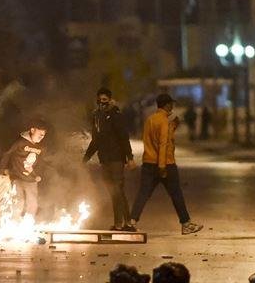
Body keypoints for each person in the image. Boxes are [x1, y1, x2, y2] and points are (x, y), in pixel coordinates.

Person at [128, 93, 203, 235]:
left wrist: (173, 126)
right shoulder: (163, 121)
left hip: (148, 163)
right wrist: (162, 166)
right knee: (176, 194)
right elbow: (163, 144)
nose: (173, 106)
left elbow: (153, 139)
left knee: (143, 193)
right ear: (167, 105)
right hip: (166, 164)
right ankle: (186, 224)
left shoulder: (150, 119)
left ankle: (132, 221)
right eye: (171, 104)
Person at [83, 88, 137, 231]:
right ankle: (123, 222)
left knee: (117, 190)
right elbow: (95, 141)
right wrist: (85, 158)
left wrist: (130, 157)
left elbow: (124, 137)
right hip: (105, 160)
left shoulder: (116, 115)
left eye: (105, 100)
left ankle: (124, 223)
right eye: (100, 100)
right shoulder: (96, 116)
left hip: (117, 159)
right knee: (114, 191)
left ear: (110, 100)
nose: (102, 103)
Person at [0, 117, 47, 219]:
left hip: (31, 180)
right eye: (40, 134)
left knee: (32, 203)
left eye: (43, 135)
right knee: (18, 201)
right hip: (17, 177)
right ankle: (14, 223)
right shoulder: (20, 142)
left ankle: (28, 223)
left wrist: (38, 175)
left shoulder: (41, 147)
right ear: (32, 130)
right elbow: (7, 154)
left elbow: (41, 163)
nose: (41, 137)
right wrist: (2, 170)